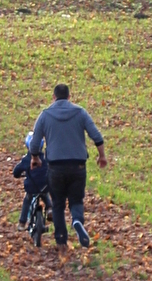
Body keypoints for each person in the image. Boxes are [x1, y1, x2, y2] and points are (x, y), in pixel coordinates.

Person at [27, 83, 106, 249]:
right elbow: (97, 136)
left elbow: (34, 143)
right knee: (76, 200)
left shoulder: (45, 115)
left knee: (57, 204)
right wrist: (102, 156)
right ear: (69, 97)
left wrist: (35, 158)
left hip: (55, 167)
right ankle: (77, 221)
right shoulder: (80, 112)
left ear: (53, 97)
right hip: (78, 166)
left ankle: (61, 241)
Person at [13, 132, 49, 231]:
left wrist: (17, 175)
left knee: (27, 199)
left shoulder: (26, 159)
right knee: (45, 195)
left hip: (31, 186)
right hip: (44, 185)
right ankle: (50, 208)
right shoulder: (45, 158)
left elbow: (16, 171)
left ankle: (22, 222)